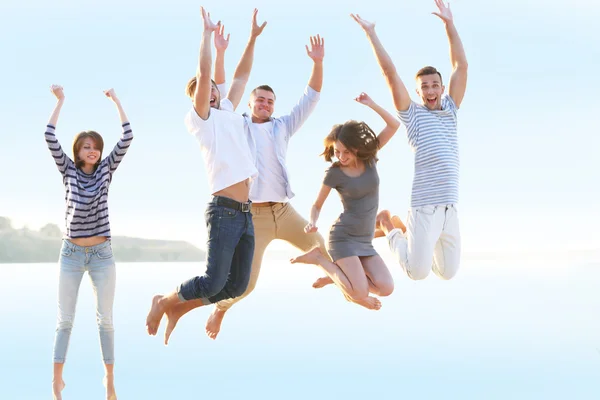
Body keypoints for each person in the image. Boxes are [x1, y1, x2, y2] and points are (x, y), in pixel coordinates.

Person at [160, 32, 327, 342]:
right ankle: (218, 308)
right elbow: (223, 80)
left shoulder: (279, 126)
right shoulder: (233, 122)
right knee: (243, 285)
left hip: (283, 210)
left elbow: (306, 96)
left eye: (270, 101)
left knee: (322, 245)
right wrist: (211, 44)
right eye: (259, 100)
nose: (264, 104)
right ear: (248, 105)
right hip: (251, 213)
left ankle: (347, 284)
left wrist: (252, 39)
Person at [144, 7, 266, 341]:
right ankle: (165, 301)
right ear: (196, 96)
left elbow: (241, 76)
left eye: (213, 87)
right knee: (214, 281)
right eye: (203, 87)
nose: (210, 89)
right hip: (224, 209)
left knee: (236, 285)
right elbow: (204, 68)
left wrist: (252, 38)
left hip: (245, 213)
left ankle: (179, 306)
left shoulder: (226, 110)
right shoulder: (201, 119)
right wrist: (206, 35)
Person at [351, 0, 468, 281]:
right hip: (425, 206)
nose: (430, 90)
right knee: (418, 273)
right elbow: (389, 73)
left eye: (434, 85)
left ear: (442, 88)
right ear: (418, 91)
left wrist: (449, 24)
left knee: (448, 273)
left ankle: (411, 237)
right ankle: (390, 226)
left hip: (450, 206)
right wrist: (371, 33)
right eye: (424, 86)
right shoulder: (413, 116)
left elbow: (460, 65)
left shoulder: (451, 110)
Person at [46, 84, 133, 400]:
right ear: (77, 151)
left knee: (105, 319)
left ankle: (109, 379)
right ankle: (57, 380)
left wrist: (117, 101)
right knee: (64, 320)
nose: (92, 150)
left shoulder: (106, 170)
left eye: (95, 146)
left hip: (101, 254)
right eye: (85, 146)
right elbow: (48, 135)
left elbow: (127, 137)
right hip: (70, 254)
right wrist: (61, 101)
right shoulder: (66, 169)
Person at [290, 92, 400, 310]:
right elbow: (317, 204)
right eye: (337, 151)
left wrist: (372, 104)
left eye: (346, 152)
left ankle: (338, 277)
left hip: (364, 239)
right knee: (359, 293)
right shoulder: (335, 173)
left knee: (386, 288)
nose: (340, 156)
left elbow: (394, 125)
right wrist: (313, 221)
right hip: (342, 238)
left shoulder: (369, 159)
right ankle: (320, 259)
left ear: (357, 148)